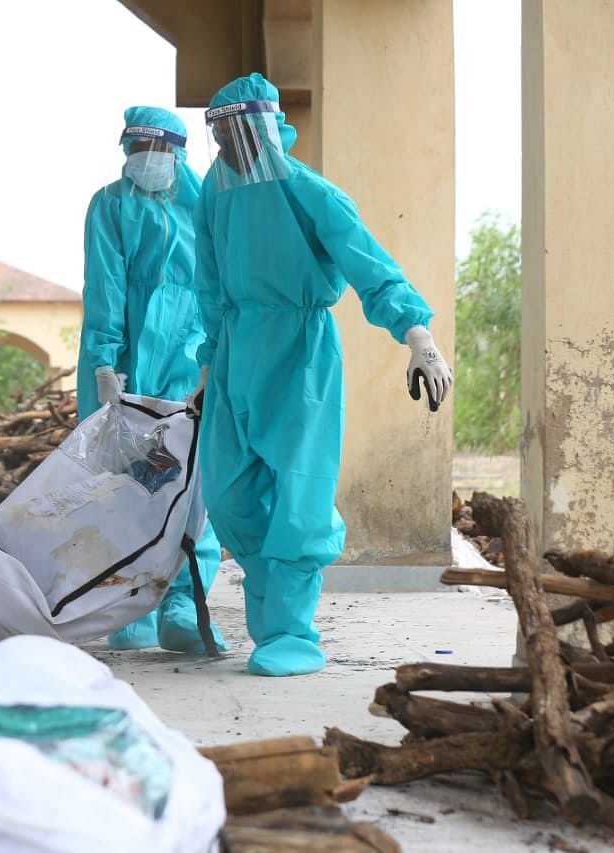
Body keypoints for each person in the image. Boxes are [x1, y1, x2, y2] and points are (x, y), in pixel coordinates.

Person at [190, 74, 453, 677]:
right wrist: (207, 363)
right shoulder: (215, 192)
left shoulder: (311, 192)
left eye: (239, 128)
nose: (231, 143)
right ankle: (271, 602)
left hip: (301, 349)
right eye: (220, 131)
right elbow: (207, 282)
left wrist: (419, 336)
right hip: (234, 350)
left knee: (299, 493)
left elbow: (372, 267)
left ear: (264, 125)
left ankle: (290, 633)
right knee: (227, 490)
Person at [77, 106, 227, 654]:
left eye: (157, 151)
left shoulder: (206, 203)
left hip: (192, 360)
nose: (147, 162)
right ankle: (129, 608)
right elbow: (105, 286)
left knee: (194, 487)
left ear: (180, 152)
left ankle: (184, 605)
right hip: (129, 363)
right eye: (136, 151)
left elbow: (217, 284)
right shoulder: (110, 205)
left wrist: (216, 355)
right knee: (129, 489)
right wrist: (103, 360)